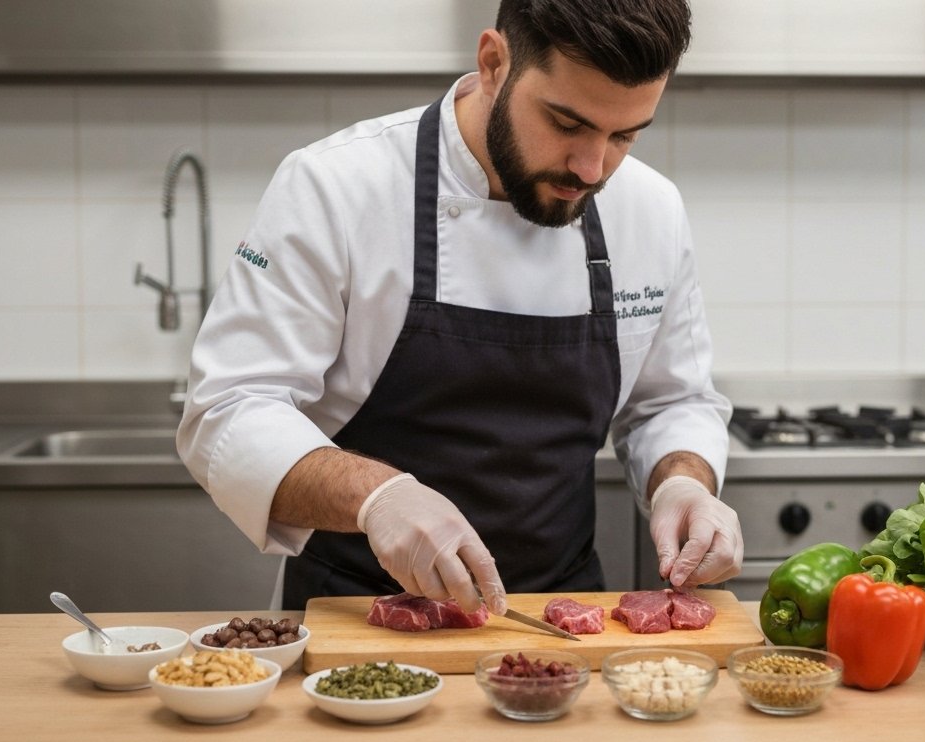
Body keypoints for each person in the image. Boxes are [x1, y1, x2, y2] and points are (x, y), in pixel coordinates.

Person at [177, 0, 742, 616]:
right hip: (361, 620)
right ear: (494, 62)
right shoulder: (336, 187)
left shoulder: (651, 209)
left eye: (625, 135)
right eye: (566, 123)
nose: (591, 167)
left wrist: (683, 479)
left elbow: (672, 400)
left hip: (561, 622)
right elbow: (228, 411)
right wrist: (378, 496)